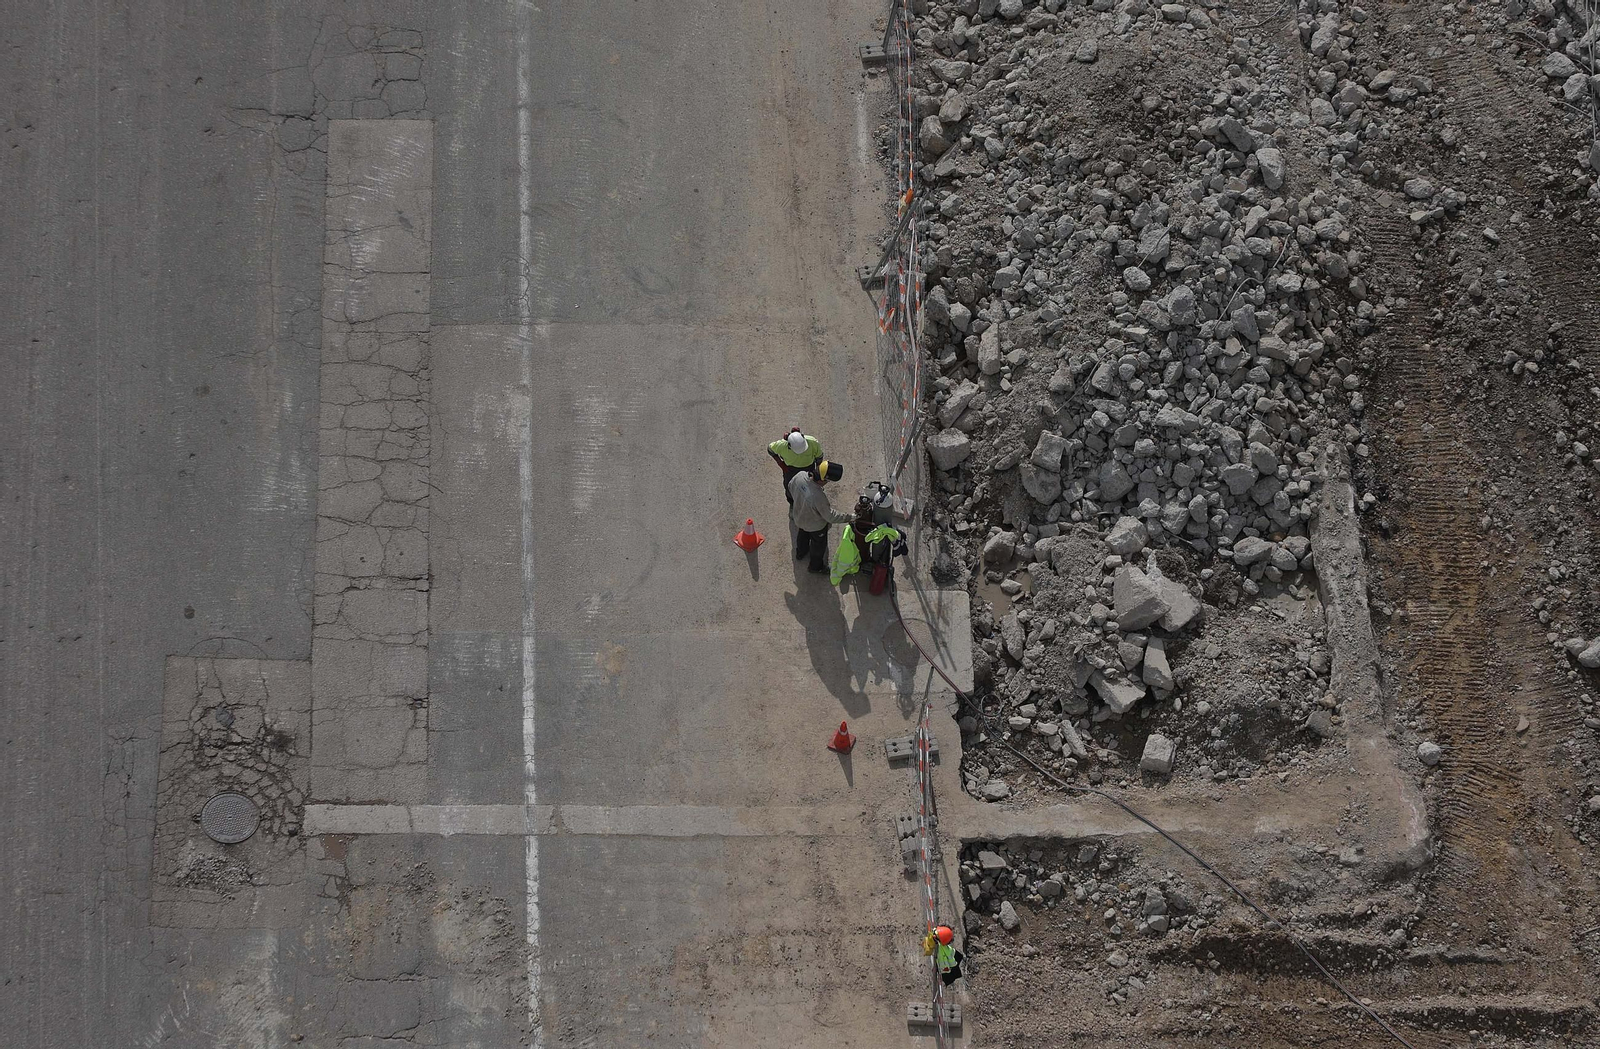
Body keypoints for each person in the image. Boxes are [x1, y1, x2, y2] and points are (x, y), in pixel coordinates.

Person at [788, 460, 851, 573]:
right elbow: (830, 516)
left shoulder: (800, 476)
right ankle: (815, 567)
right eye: (828, 481)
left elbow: (790, 487)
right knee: (818, 546)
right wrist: (849, 517)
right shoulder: (818, 497)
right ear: (823, 480)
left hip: (799, 518)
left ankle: (800, 552)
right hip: (816, 527)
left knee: (802, 535)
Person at [768, 428, 823, 502]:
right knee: (789, 488)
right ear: (789, 445)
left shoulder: (812, 442)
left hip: (809, 468)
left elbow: (819, 457)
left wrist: (818, 472)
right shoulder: (782, 445)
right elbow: (770, 450)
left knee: (811, 488)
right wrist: (780, 463)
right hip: (790, 470)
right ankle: (792, 502)